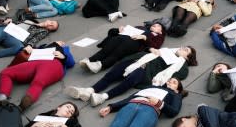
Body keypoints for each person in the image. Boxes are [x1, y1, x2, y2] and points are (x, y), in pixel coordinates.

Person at [66, 46, 197, 107]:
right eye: (184, 47)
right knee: (113, 73)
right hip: (136, 62)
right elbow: (147, 50)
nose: (183, 48)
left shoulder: (181, 65)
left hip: (146, 72)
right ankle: (89, 91)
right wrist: (151, 49)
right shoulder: (167, 50)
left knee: (131, 80)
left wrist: (182, 60)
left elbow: (180, 74)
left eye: (186, 51)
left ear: (187, 57)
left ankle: (103, 97)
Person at [0, 41, 75, 110]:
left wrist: (63, 56)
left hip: (54, 63)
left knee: (38, 82)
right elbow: (22, 52)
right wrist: (28, 47)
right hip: (35, 62)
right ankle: (2, 97)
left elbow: (71, 63)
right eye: (59, 41)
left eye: (62, 42)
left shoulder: (64, 49)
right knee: (6, 72)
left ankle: (21, 107)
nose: (61, 42)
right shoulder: (42, 46)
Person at [79, 22, 165, 73]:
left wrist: (144, 37)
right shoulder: (141, 27)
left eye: (158, 26)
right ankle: (90, 60)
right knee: (107, 48)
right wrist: (119, 30)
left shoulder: (159, 36)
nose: (154, 25)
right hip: (122, 37)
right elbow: (112, 32)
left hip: (134, 43)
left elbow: (156, 46)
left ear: (161, 31)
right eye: (154, 24)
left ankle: (100, 65)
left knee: (117, 53)